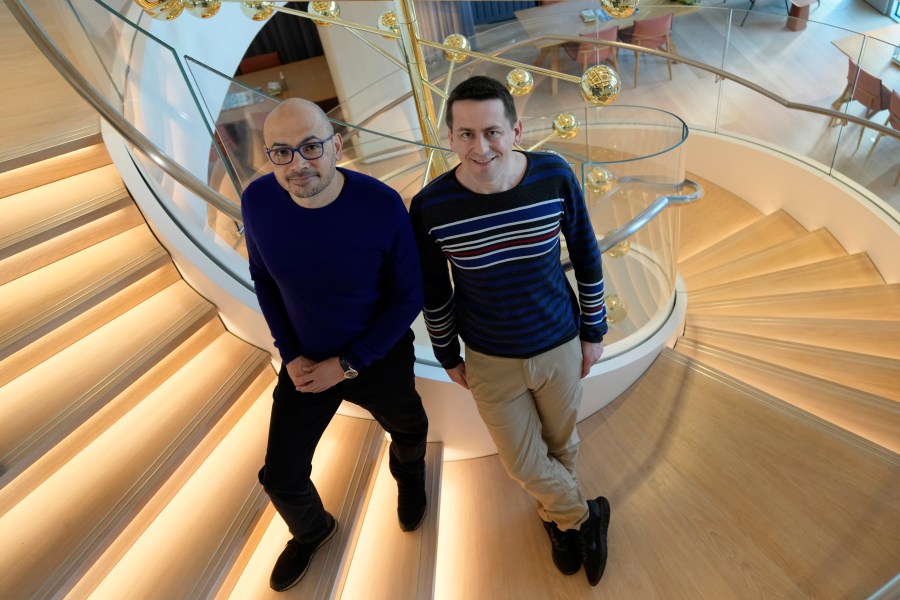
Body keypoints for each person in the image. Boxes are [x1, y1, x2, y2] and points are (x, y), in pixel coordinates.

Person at [409, 76, 610, 586]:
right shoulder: (431, 207)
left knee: (561, 443)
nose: (481, 148)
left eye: (493, 132)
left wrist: (594, 330)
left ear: (517, 130)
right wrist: (446, 353)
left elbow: (586, 255)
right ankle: (584, 517)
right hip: (490, 356)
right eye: (467, 134)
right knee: (522, 461)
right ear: (450, 137)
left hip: (560, 342)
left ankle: (558, 521)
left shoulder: (554, 175)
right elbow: (435, 290)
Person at [241, 98, 429, 592]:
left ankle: (409, 477)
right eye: (281, 152)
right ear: (268, 156)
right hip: (305, 361)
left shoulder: (381, 204)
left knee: (410, 430)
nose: (298, 164)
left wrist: (347, 364)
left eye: (310, 147)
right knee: (279, 476)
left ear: (336, 146)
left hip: (378, 355)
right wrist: (290, 353)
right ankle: (314, 530)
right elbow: (263, 277)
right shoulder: (258, 200)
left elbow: (410, 293)